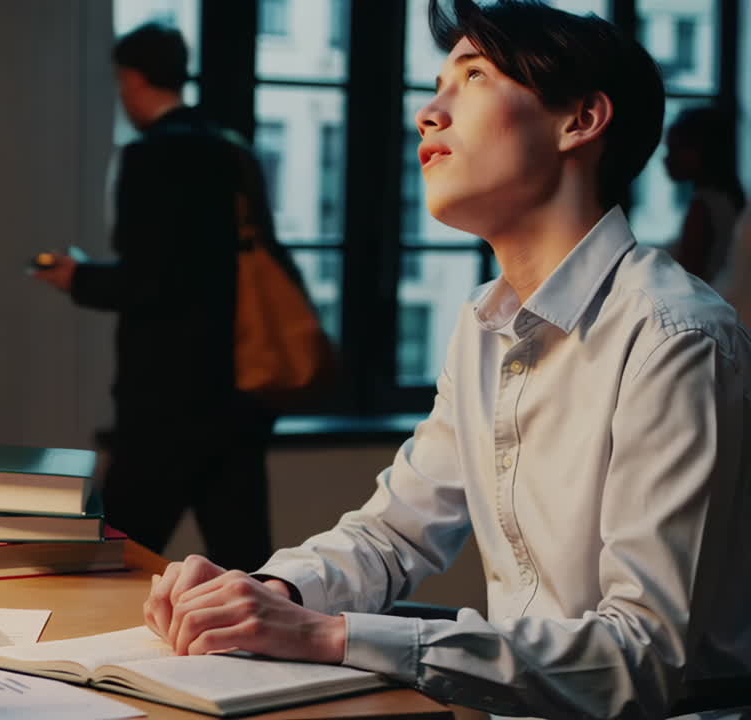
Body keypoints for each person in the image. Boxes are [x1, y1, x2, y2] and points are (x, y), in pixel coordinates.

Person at [142, 1, 751, 718]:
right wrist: (272, 596)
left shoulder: (675, 335)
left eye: (475, 76)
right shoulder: (484, 321)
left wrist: (334, 635)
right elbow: (395, 531)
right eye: (437, 84)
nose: (428, 112)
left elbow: (642, 653)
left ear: (580, 120)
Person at [32, 23, 303, 572]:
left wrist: (78, 277)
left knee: (108, 561)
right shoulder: (233, 152)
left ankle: (87, 658)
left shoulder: (149, 158)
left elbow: (149, 282)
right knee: (245, 569)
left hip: (164, 399)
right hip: (239, 392)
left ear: (131, 79)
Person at [663, 106, 745, 283]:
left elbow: (690, 278)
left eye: (676, 148)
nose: (667, 159)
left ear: (705, 150)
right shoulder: (729, 197)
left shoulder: (703, 206)